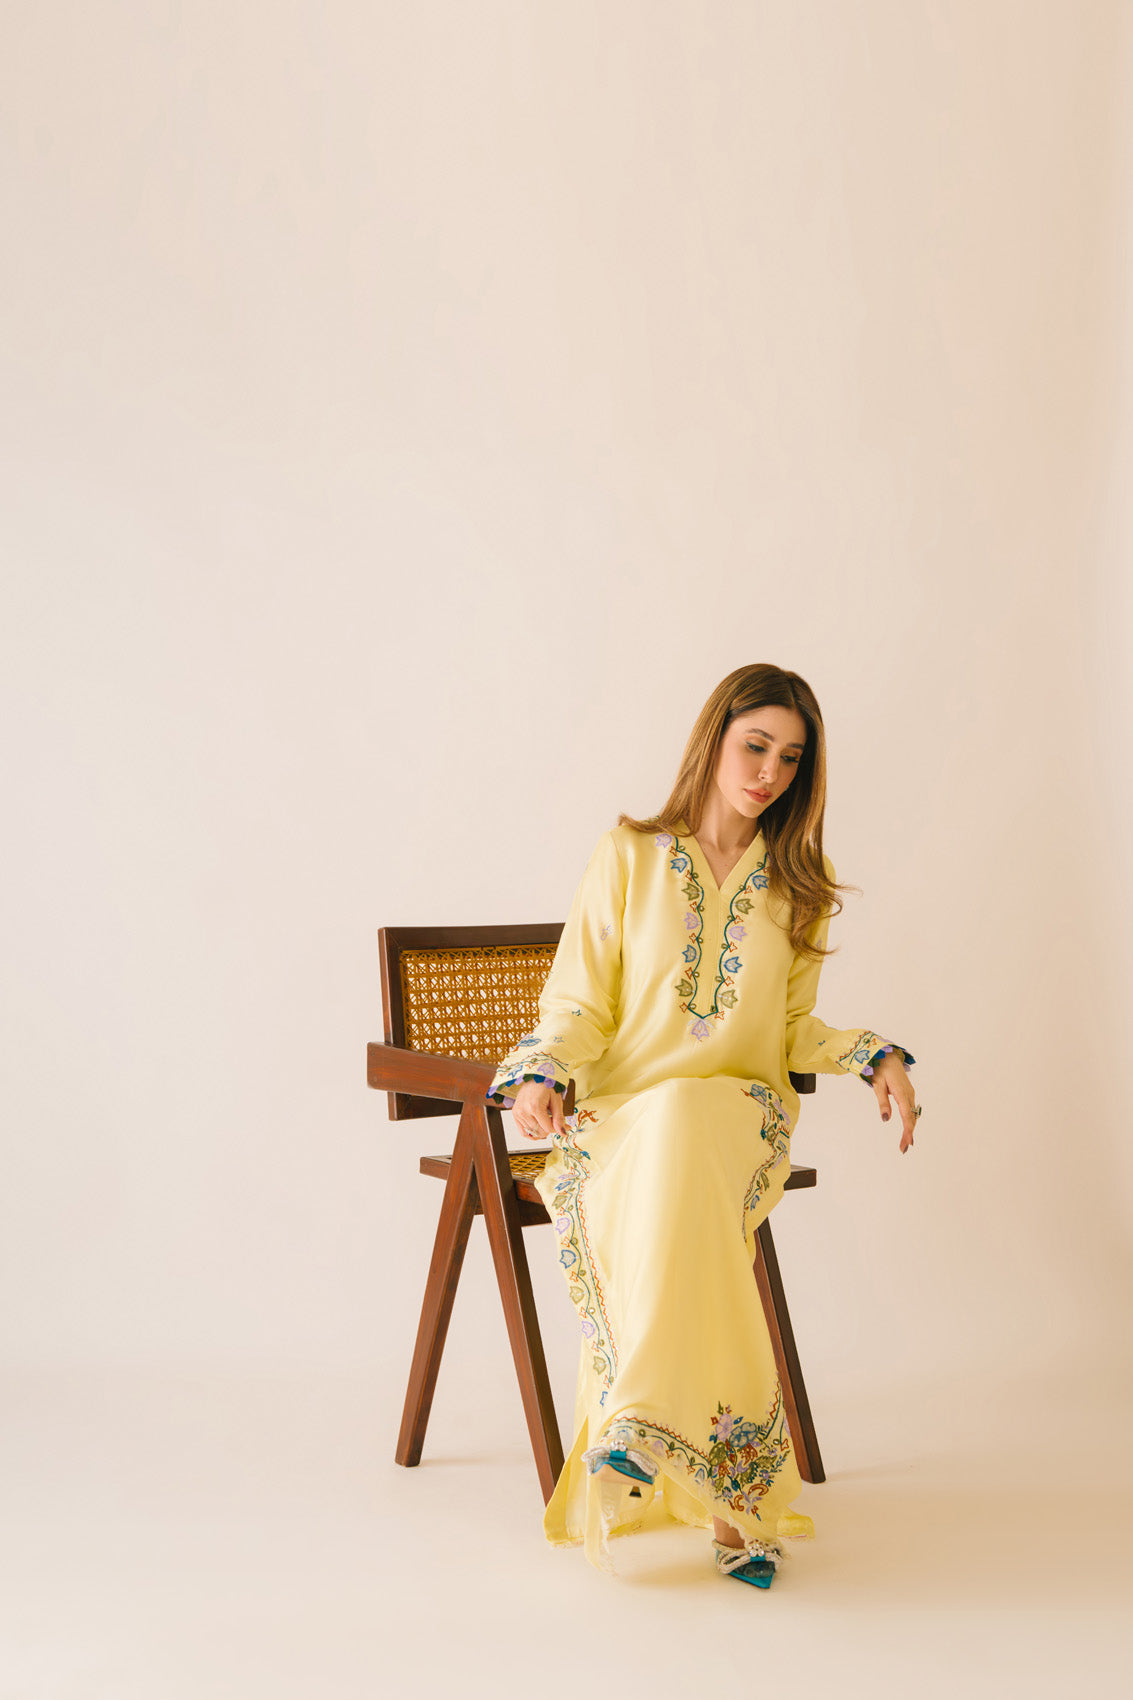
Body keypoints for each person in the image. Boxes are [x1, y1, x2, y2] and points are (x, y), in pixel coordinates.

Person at [484, 663, 920, 1589]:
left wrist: (868, 1053)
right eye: (754, 746)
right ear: (713, 738)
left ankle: (641, 1425)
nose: (768, 772)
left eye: (789, 759)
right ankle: (735, 1504)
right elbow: (579, 1002)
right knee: (676, 1166)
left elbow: (790, 1029)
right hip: (625, 1125)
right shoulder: (629, 855)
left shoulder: (799, 886)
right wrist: (542, 1069)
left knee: (687, 1115)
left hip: (740, 1118)